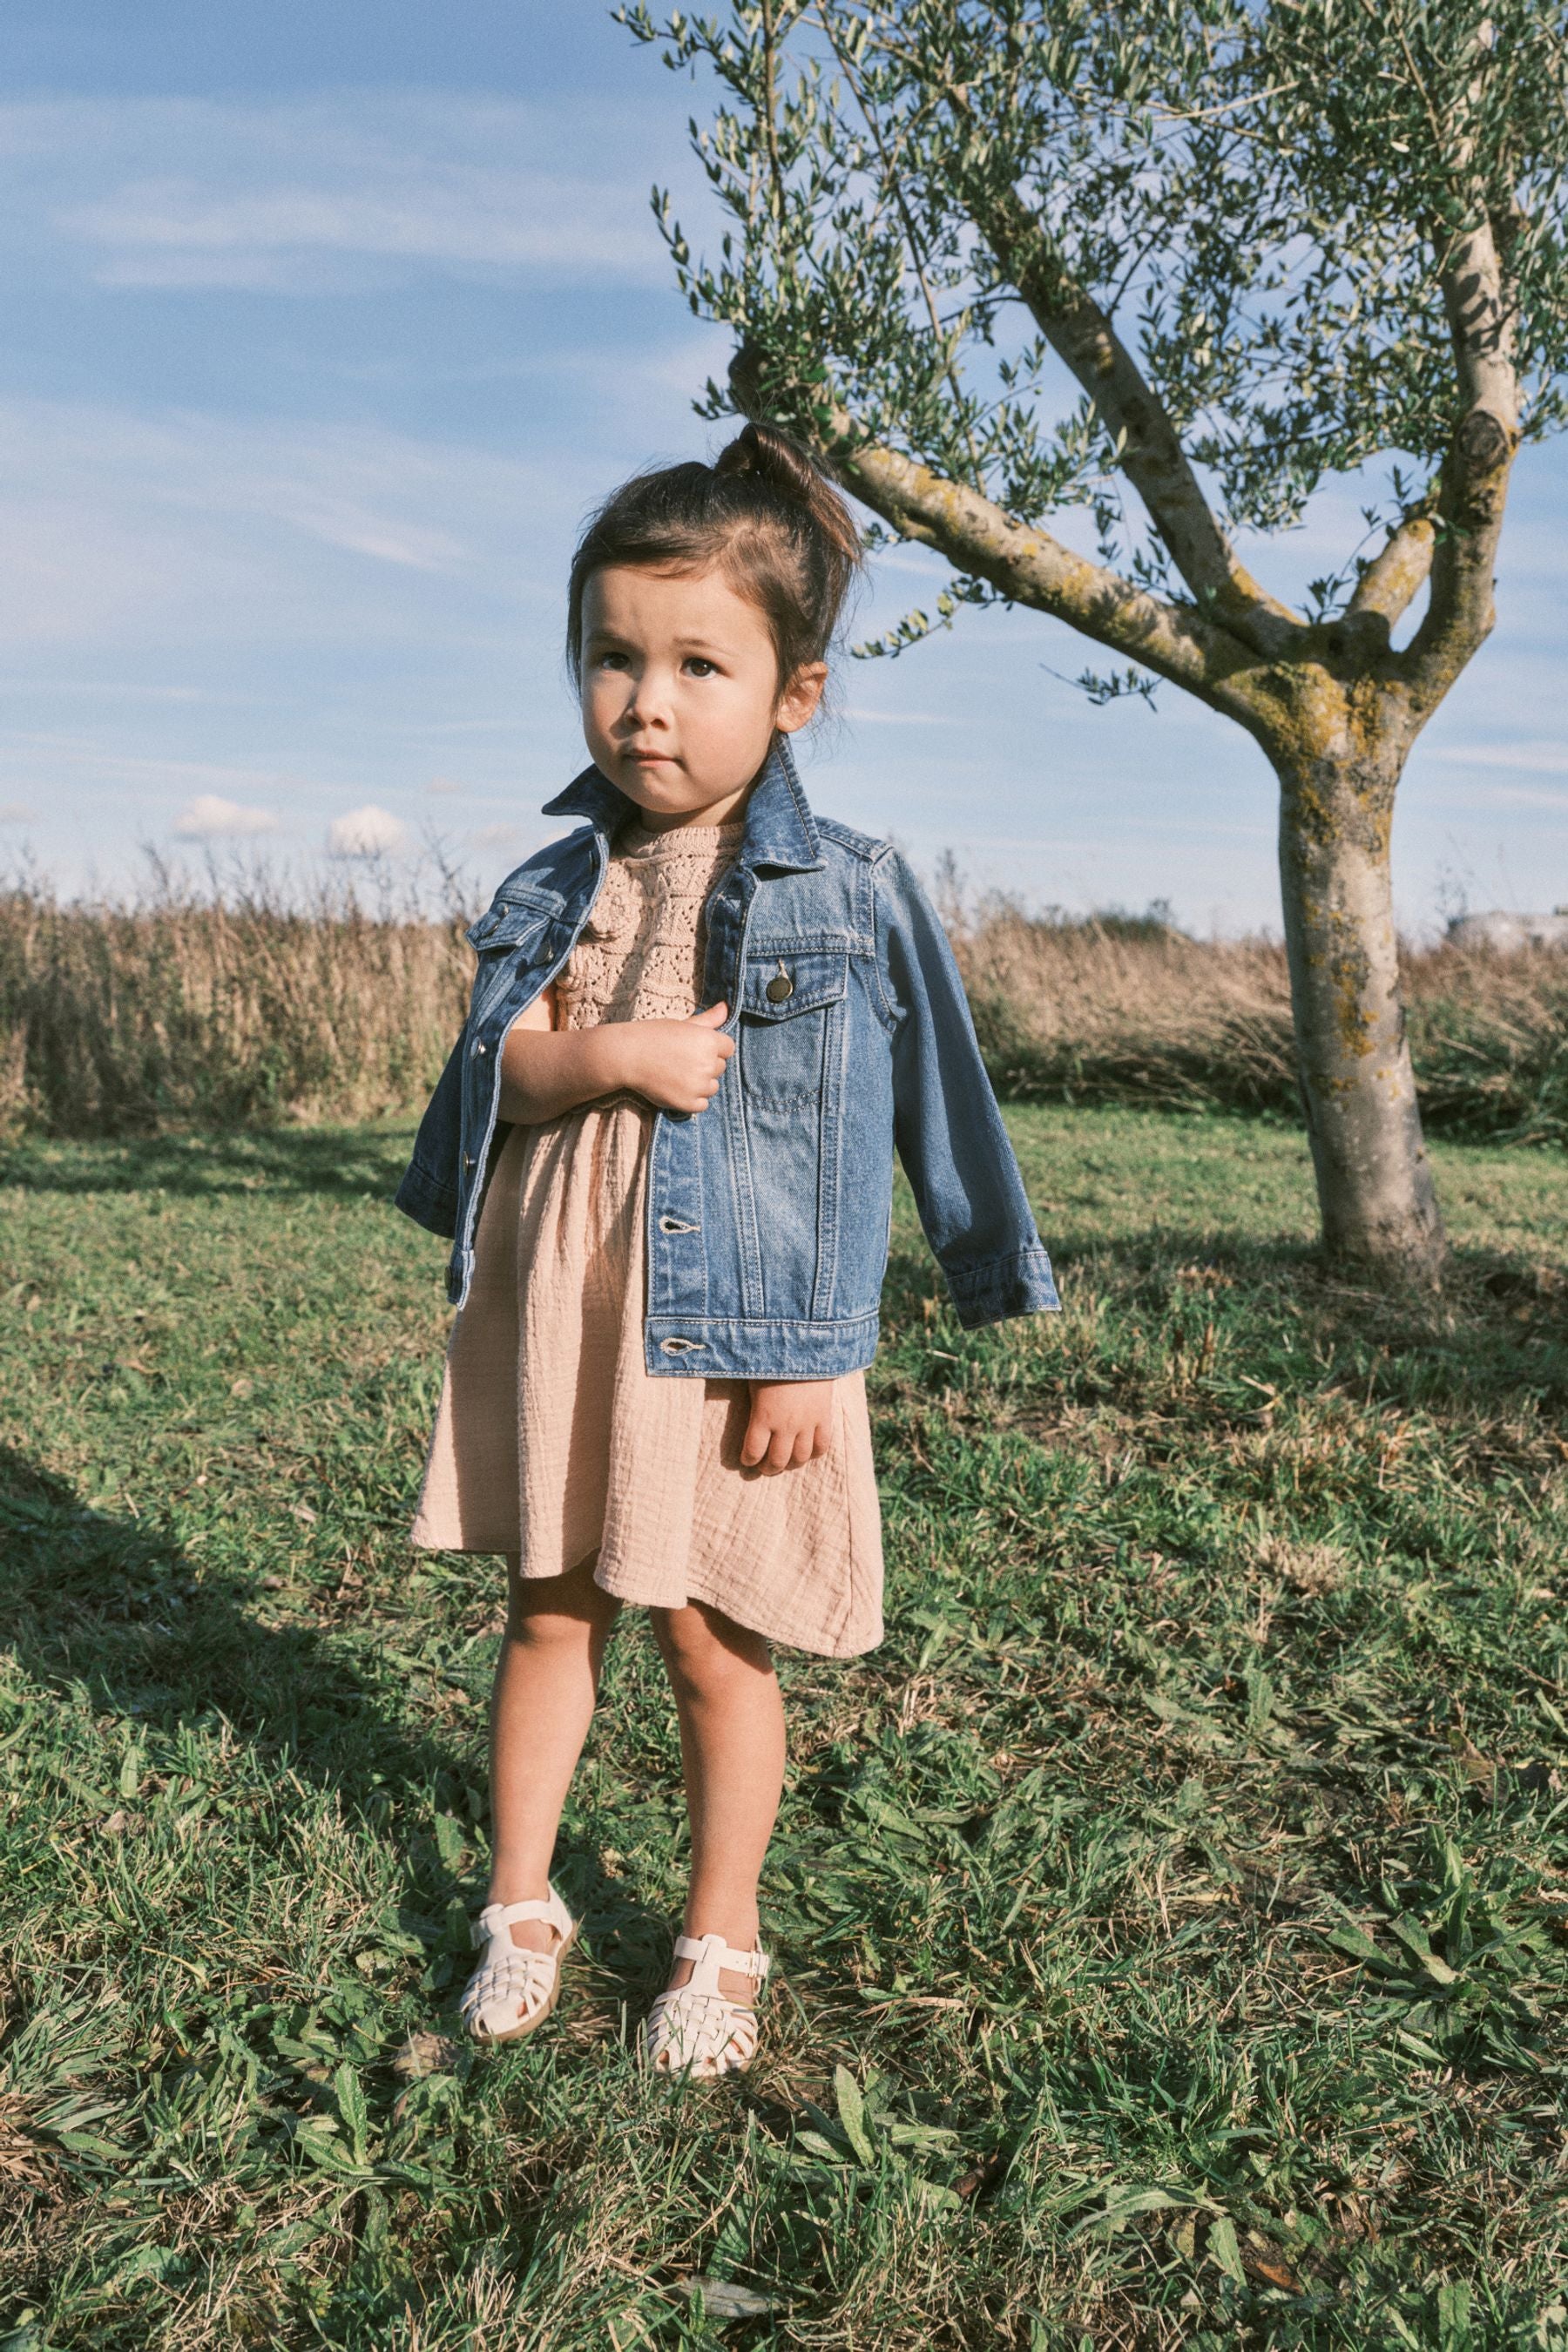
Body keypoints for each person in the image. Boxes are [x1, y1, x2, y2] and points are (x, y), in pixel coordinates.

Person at [395, 422, 1058, 2079]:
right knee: (550, 1610)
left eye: (700, 663)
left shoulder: (851, 889)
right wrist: (605, 1058)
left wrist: (821, 1347)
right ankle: (523, 1902)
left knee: (711, 1635)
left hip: (737, 1324)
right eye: (614, 657)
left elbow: (929, 1116)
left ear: (794, 695)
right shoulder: (550, 885)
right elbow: (491, 1080)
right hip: (568, 1300)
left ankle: (718, 1937)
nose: (647, 701)